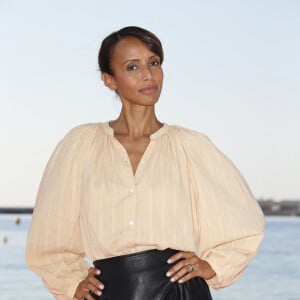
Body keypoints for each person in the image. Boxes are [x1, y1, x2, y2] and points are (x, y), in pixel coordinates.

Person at [26, 26, 265, 300]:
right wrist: (71, 282)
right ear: (109, 79)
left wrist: (213, 265)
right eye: (132, 67)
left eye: (154, 63)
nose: (148, 75)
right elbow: (50, 231)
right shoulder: (82, 144)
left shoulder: (190, 146)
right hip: (110, 291)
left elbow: (243, 220)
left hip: (179, 290)